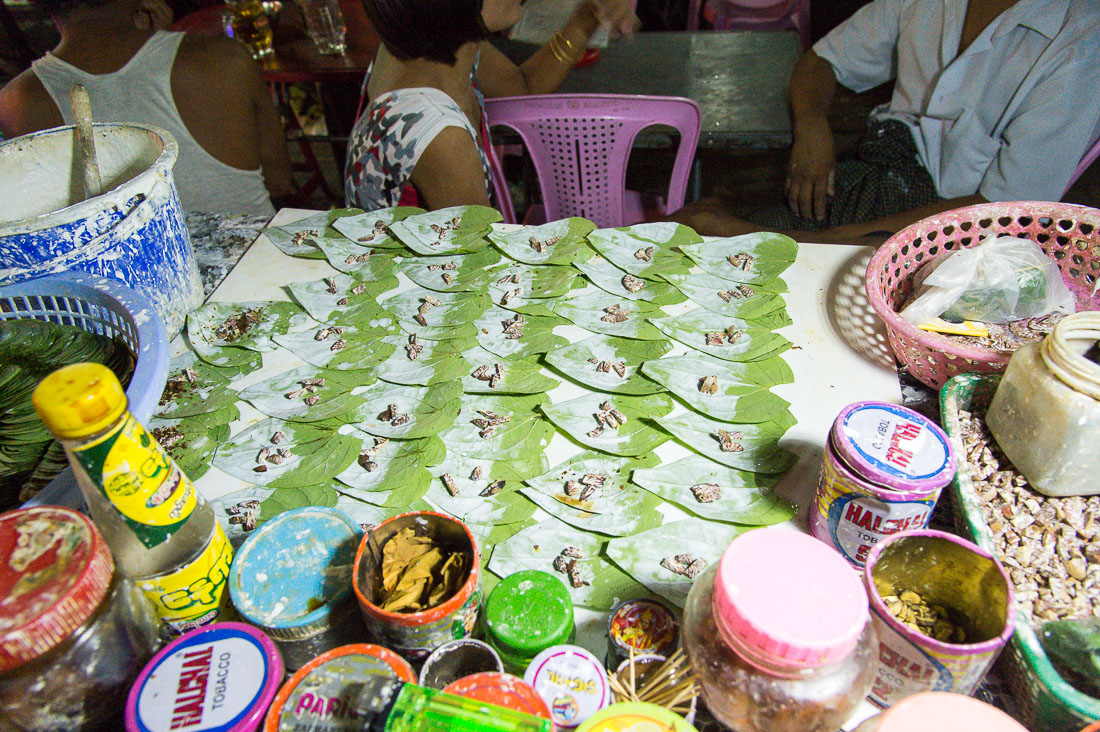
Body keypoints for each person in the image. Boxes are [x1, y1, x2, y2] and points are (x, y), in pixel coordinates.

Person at [671, 0, 1100, 244]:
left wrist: (762, 237)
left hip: (956, 234)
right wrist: (812, 124)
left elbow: (1002, 214)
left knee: (716, 240)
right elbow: (824, 60)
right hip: (879, 178)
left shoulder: (1080, 46)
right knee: (690, 230)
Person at [0, 0, 292, 216]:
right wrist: (162, 41)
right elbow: (280, 183)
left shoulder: (15, 101)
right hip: (253, 270)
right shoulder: (223, 59)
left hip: (126, 291)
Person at [345, 0, 638, 212]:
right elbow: (482, 271)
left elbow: (523, 85)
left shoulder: (438, 47)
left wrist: (588, 16)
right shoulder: (438, 133)